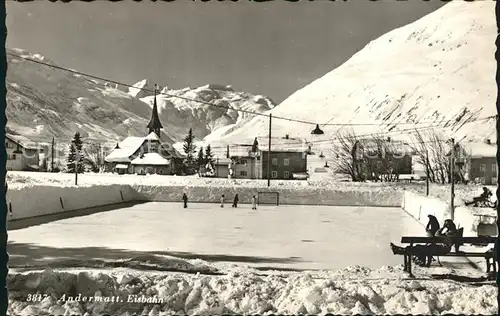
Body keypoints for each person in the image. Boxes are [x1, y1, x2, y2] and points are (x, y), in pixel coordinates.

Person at [390, 219, 458, 266]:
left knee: (421, 248)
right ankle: (401, 250)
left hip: (442, 250)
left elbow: (437, 235)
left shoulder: (451, 233)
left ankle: (400, 250)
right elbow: (438, 236)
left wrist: (442, 227)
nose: (445, 226)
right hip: (440, 248)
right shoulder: (451, 232)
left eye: (446, 224)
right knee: (419, 247)